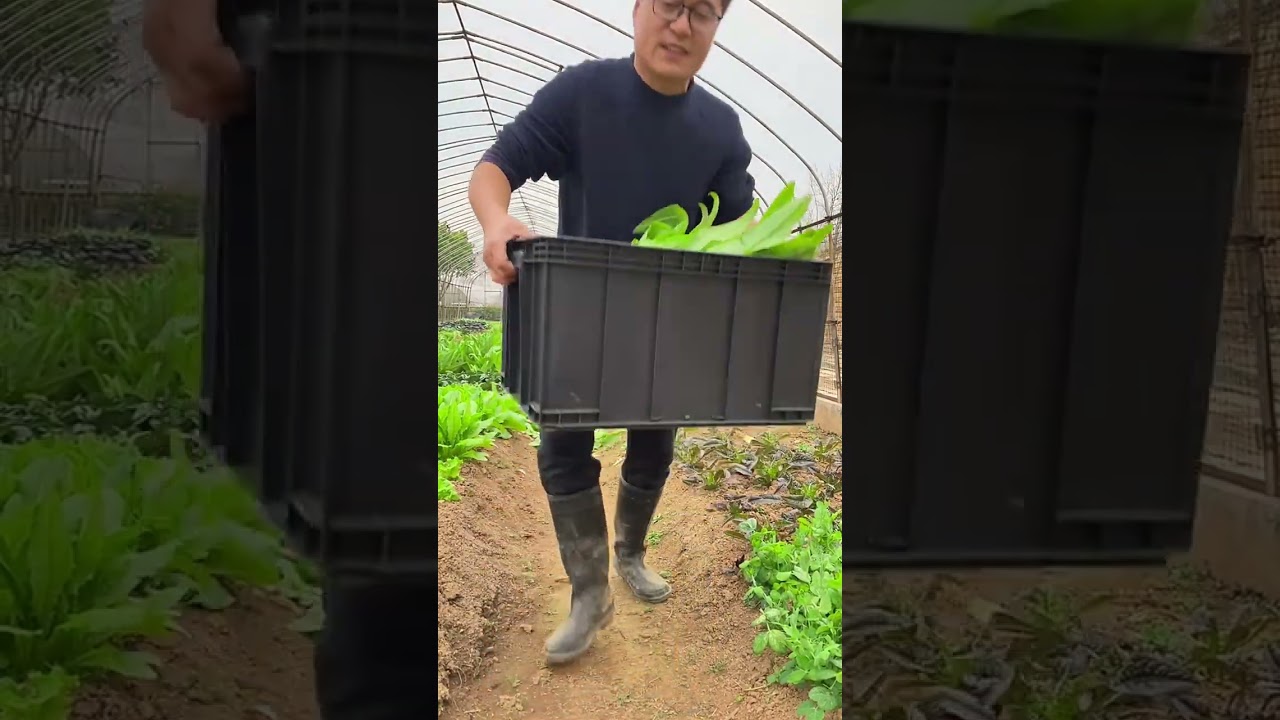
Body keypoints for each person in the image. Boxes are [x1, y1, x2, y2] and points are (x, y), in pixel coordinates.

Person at [469, 0, 755, 665]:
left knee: (654, 446)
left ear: (717, 27)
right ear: (638, 9)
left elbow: (737, 232)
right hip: (583, 310)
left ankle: (630, 552)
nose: (682, 25)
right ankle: (589, 593)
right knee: (562, 451)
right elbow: (496, 166)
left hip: (666, 324)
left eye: (703, 12)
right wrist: (495, 221)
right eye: (670, 4)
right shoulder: (584, 94)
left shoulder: (720, 129)